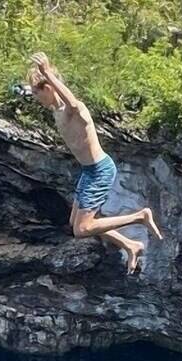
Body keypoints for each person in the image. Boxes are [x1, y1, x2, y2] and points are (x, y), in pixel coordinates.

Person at [26, 52, 163, 274]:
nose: (34, 97)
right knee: (76, 223)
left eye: (36, 92)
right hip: (88, 171)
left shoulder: (75, 109)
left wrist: (48, 73)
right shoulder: (56, 111)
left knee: (82, 229)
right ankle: (131, 245)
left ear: (49, 88)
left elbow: (70, 101)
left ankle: (140, 216)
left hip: (100, 170)